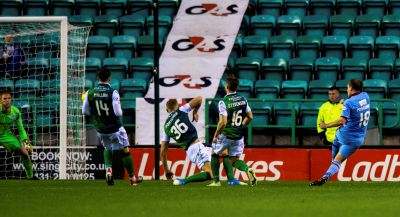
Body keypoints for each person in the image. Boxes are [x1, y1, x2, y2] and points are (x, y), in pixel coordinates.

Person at [82, 68, 142, 186]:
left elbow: (84, 111)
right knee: (125, 150)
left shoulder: (90, 92)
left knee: (107, 147)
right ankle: (133, 179)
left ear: (98, 78)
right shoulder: (113, 92)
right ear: (109, 78)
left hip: (100, 129)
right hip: (115, 128)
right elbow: (118, 113)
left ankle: (108, 171)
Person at [310, 79, 370, 186]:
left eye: (347, 87)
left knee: (337, 141)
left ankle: (331, 166)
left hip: (344, 135)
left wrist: (326, 125)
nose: (347, 89)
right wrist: (344, 103)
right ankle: (325, 177)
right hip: (357, 140)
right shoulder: (366, 96)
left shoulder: (348, 102)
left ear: (351, 88)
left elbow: (342, 120)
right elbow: (357, 105)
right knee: (338, 161)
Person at [208, 76, 257, 187]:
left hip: (226, 135)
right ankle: (248, 169)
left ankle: (216, 181)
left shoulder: (223, 101)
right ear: (237, 87)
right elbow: (250, 117)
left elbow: (223, 122)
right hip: (239, 136)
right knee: (234, 161)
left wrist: (216, 135)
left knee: (214, 152)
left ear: (226, 87)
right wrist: (241, 125)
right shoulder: (243, 99)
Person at [161, 96, 214, 185]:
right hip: (196, 146)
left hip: (190, 150)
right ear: (177, 106)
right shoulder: (181, 110)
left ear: (167, 110)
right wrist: (195, 112)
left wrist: (166, 171)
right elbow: (199, 99)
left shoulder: (166, 128)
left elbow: (163, 152)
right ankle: (183, 181)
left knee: (221, 153)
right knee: (209, 173)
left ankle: (229, 179)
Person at [0, 90, 36, 180]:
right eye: (4, 98)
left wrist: (26, 143)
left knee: (25, 153)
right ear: (0, 100)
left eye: (9, 98)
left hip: (5, 135)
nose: (7, 100)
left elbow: (21, 129)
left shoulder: (15, 112)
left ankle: (30, 177)